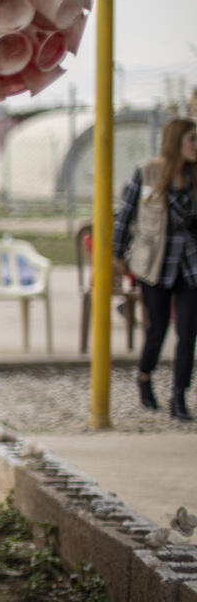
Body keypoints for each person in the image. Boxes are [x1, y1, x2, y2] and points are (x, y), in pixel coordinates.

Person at [112, 116, 197, 421]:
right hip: (155, 264)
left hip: (189, 265)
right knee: (157, 329)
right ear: (176, 141)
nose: (196, 145)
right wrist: (117, 253)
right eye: (192, 139)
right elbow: (124, 214)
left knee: (187, 333)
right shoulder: (147, 171)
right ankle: (145, 378)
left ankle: (179, 396)